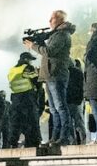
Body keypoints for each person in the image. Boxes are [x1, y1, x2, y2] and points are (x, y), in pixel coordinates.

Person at [24, 10, 76, 146]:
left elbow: (49, 52)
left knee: (60, 107)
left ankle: (65, 137)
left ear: (60, 20)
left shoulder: (62, 34)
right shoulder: (57, 34)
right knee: (53, 109)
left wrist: (33, 46)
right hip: (50, 75)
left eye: (52, 18)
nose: (49, 21)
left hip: (56, 74)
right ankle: (55, 138)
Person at [7, 52, 42, 148]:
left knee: (16, 121)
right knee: (31, 121)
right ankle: (32, 142)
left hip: (15, 98)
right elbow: (37, 81)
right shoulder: (27, 68)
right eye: (30, 60)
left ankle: (12, 142)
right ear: (27, 60)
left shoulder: (12, 70)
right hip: (27, 98)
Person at [68, 59, 87, 144]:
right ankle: (83, 140)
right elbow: (82, 86)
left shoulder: (64, 73)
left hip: (69, 100)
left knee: (70, 122)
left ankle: (73, 141)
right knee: (79, 121)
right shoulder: (79, 72)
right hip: (76, 100)